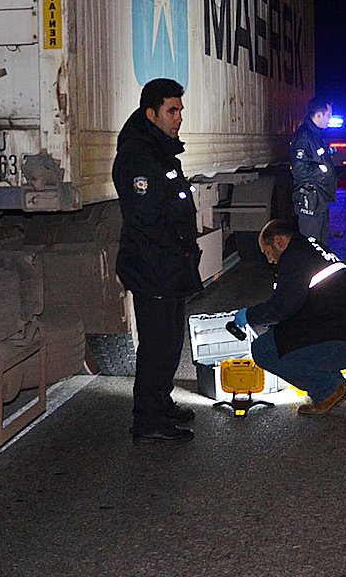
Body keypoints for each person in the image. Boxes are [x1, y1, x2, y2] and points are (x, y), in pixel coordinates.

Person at [112, 78, 202, 445]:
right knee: (158, 345)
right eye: (172, 111)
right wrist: (176, 250)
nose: (179, 117)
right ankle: (148, 420)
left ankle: (161, 403)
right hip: (154, 265)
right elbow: (147, 218)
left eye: (180, 110)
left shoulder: (158, 148)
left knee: (170, 341)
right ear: (151, 113)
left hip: (167, 264)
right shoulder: (140, 155)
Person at [231, 220, 346, 415]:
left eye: (267, 252)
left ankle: (327, 390)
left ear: (279, 241)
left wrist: (249, 316)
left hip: (345, 343)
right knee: (279, 336)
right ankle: (334, 385)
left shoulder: (296, 259)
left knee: (264, 349)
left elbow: (282, 308)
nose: (270, 260)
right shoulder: (308, 247)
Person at [290, 97, 337, 245]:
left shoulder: (315, 135)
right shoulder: (305, 137)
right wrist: (322, 170)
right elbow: (299, 169)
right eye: (328, 115)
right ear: (318, 115)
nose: (330, 119)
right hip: (310, 200)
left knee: (321, 246)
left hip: (320, 199)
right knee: (311, 246)